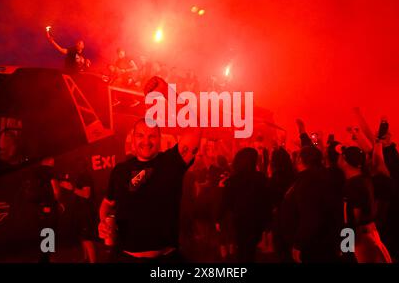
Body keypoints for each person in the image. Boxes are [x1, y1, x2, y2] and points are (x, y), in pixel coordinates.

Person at [98, 76, 201, 262]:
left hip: (166, 260)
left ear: (159, 139)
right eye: (141, 136)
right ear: (133, 139)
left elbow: (194, 129)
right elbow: (107, 204)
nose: (146, 141)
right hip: (126, 257)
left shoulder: (171, 162)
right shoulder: (120, 170)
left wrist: (167, 91)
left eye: (152, 136)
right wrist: (103, 222)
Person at [279, 145, 341, 263]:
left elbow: (310, 215)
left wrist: (299, 243)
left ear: (300, 160)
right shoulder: (319, 176)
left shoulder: (309, 181)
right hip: (320, 239)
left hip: (312, 245)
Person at [336, 145, 392, 263]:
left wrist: (346, 245)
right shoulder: (364, 180)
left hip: (361, 238)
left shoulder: (353, 185)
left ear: (345, 161)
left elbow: (354, 219)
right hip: (369, 233)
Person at [218, 147, 270, 262]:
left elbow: (225, 202)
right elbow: (267, 201)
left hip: (240, 221)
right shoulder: (261, 178)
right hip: (257, 221)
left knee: (242, 250)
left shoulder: (233, 180)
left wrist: (219, 219)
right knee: (250, 250)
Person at [52, 158, 97, 263]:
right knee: (82, 237)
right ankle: (86, 259)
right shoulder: (80, 176)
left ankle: (92, 261)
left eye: (77, 165)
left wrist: (71, 188)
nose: (75, 168)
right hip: (81, 211)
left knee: (87, 238)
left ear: (82, 166)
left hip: (86, 212)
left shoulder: (85, 176)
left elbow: (86, 194)